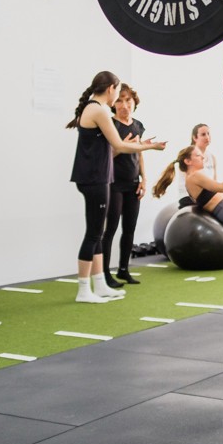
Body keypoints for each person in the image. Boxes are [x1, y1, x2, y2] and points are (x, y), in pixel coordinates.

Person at [66, 71, 165, 304]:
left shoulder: (92, 109)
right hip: (94, 178)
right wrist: (149, 147)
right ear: (111, 88)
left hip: (96, 177)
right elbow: (119, 144)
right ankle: (83, 290)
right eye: (117, 94)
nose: (118, 100)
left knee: (97, 233)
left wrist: (141, 148)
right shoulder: (99, 110)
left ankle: (99, 285)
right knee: (94, 234)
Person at [101, 84, 148, 289]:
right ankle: (103, 274)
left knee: (129, 229)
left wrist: (144, 179)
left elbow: (140, 153)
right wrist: (122, 146)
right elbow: (105, 157)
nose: (124, 105)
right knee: (110, 229)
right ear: (114, 104)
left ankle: (123, 269)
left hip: (133, 184)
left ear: (134, 103)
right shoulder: (109, 124)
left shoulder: (137, 125)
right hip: (114, 184)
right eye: (119, 100)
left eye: (128, 100)